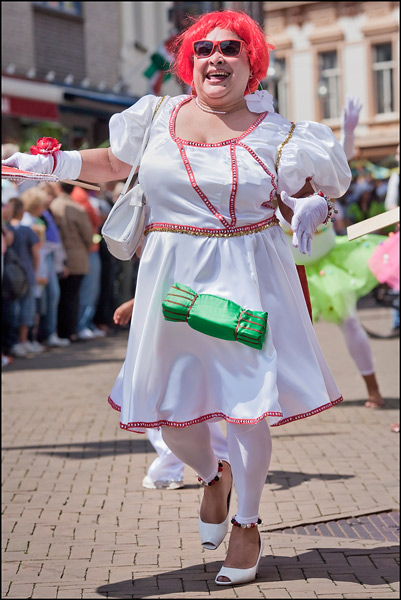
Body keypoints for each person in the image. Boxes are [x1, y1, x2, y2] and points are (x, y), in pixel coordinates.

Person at [3, 10, 351, 585]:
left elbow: (305, 199)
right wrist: (46, 162)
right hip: (171, 276)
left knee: (246, 407)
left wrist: (313, 208)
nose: (216, 56)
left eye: (231, 48)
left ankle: (247, 522)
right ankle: (213, 474)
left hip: (246, 276)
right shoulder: (157, 115)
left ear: (251, 63)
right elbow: (112, 165)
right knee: (166, 408)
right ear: (190, 61)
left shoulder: (279, 134)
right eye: (204, 48)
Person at [279, 96, 386, 409]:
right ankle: (293, 398)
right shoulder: (274, 188)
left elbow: (343, 159)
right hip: (293, 270)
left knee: (350, 322)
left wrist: (349, 132)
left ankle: (374, 390)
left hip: (331, 264)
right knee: (290, 335)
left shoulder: (318, 177)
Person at [114, 296, 230, 489]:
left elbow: (169, 271)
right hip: (188, 313)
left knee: (158, 393)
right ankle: (221, 459)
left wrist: (137, 301)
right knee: (190, 398)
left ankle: (170, 467)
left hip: (172, 313)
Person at [48, 182, 93, 342]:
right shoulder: (78, 209)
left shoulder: (52, 206)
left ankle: (58, 332)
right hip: (77, 257)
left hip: (57, 257)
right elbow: (88, 235)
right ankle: (69, 332)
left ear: (59, 188)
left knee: (60, 297)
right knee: (72, 296)